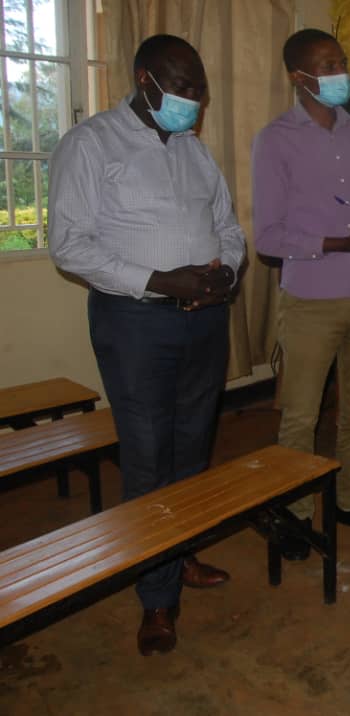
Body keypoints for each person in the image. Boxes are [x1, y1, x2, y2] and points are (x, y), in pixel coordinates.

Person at [48, 34, 245, 656]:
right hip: (135, 323)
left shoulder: (193, 150)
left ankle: (178, 553)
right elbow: (69, 246)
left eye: (199, 90)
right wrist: (161, 280)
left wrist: (225, 271)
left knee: (193, 448)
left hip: (202, 321)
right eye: (181, 87)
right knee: (147, 456)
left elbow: (227, 225)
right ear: (145, 79)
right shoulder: (91, 144)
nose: (193, 101)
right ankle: (156, 596)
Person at [253, 29, 350, 559]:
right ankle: (295, 513)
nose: (341, 73)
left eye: (342, 61)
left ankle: (349, 500)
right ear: (299, 77)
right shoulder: (275, 140)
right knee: (301, 415)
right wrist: (339, 243)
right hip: (312, 299)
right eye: (327, 65)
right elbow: (268, 238)